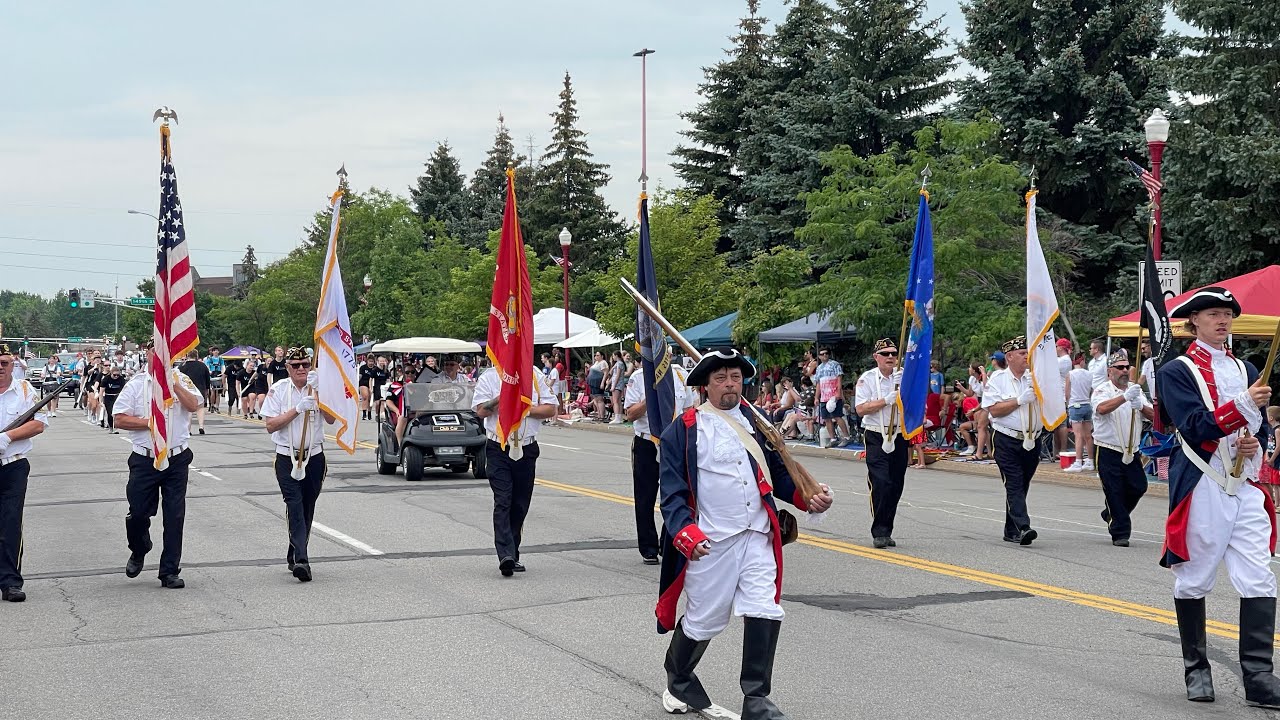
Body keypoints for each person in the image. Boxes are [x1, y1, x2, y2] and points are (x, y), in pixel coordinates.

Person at [655, 347, 833, 717]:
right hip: (712, 542)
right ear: (705, 385)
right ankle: (679, 677)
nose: (730, 384)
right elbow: (672, 492)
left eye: (735, 377)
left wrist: (808, 498)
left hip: (757, 536)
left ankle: (756, 699)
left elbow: (777, 476)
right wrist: (685, 532)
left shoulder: (758, 422)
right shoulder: (685, 429)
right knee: (704, 620)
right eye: (720, 378)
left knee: (764, 609)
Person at [1156, 286, 1280, 708]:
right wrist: (1244, 404)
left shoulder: (1246, 368)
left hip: (1244, 484)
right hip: (1204, 481)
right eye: (1212, 314)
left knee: (1259, 574)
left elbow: (1258, 426)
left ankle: (1259, 676)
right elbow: (1193, 425)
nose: (1222, 320)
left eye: (1226, 314)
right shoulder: (1176, 371)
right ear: (1194, 321)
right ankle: (1197, 669)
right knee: (1194, 578)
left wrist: (1255, 443)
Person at [112, 341, 204, 589]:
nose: (162, 357)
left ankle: (169, 571)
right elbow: (119, 418)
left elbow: (195, 405)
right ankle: (140, 547)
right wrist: (150, 423)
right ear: (148, 355)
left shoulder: (181, 380)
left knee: (174, 515)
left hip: (177, 457)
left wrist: (172, 383)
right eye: (157, 352)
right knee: (138, 513)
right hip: (145, 458)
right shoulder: (136, 384)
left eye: (167, 353)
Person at [472, 364, 558, 577]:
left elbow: (550, 408)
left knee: (519, 504)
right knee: (503, 500)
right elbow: (481, 411)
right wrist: (503, 398)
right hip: (498, 447)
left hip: (526, 447)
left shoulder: (535, 375)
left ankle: (513, 551)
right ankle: (505, 555)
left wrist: (523, 408)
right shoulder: (490, 377)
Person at [262, 347, 335, 582]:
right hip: (287, 457)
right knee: (294, 504)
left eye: (305, 364)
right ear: (288, 368)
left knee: (307, 507)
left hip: (314, 457)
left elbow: (332, 419)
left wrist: (321, 396)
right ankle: (303, 560)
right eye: (296, 366)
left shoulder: (318, 387)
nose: (301, 369)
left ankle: (295, 551)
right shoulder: (279, 390)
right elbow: (271, 425)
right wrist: (297, 409)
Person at [624, 360, 695, 565]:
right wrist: (650, 398)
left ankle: (668, 542)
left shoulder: (680, 376)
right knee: (645, 498)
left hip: (673, 444)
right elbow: (630, 414)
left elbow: (689, 409)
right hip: (646, 442)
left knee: (675, 494)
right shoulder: (639, 378)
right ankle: (648, 548)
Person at [981, 336, 1042, 546]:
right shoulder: (998, 379)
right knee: (1014, 482)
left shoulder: (1035, 378)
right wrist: (1019, 400)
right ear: (1009, 357)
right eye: (1022, 353)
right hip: (1006, 439)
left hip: (1032, 439)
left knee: (1021, 484)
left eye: (1027, 352)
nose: (1027, 356)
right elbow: (994, 410)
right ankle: (1024, 526)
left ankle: (1011, 529)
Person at [0, 344, 49, 602]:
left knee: (10, 524)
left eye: (4, 362)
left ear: (12, 364)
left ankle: (10, 581)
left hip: (12, 465)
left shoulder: (24, 390)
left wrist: (7, 437)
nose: (0, 367)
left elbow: (38, 423)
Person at [855, 339, 907, 548]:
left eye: (893, 353)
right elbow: (860, 409)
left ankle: (888, 529)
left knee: (895, 484)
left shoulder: (903, 377)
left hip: (899, 435)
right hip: (876, 435)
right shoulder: (867, 379)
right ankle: (879, 531)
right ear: (876, 357)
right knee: (881, 482)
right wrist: (886, 400)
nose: (890, 357)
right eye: (885, 354)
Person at [1064, 353, 1096, 473]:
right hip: (1087, 405)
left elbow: (1067, 392)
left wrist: (1067, 404)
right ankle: (1090, 460)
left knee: (1078, 435)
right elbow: (1092, 390)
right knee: (1088, 435)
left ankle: (1078, 461)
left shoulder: (1070, 374)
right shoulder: (1089, 374)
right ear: (1082, 362)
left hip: (1075, 405)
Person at [815, 348, 850, 448]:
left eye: (826, 353)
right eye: (822, 354)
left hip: (834, 395)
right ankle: (833, 438)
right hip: (824, 397)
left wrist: (838, 393)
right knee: (826, 418)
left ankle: (846, 437)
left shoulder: (835, 364)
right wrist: (816, 397)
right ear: (819, 356)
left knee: (837, 416)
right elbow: (818, 384)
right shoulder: (819, 368)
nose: (825, 355)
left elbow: (839, 379)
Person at [179, 351, 211, 435]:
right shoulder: (202, 365)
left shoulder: (182, 366)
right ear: (196, 356)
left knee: (188, 410)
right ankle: (201, 426)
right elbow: (208, 379)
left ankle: (188, 429)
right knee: (200, 408)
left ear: (187, 355)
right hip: (200, 389)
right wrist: (207, 389)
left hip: (187, 390)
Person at [100, 364, 127, 434]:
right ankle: (111, 427)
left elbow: (124, 390)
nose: (116, 377)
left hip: (117, 396)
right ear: (111, 373)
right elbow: (101, 391)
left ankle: (116, 427)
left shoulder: (121, 379)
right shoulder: (106, 379)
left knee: (116, 413)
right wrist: (101, 401)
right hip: (108, 397)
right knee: (110, 412)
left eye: (117, 375)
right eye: (114, 375)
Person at [204, 346, 225, 413]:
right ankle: (212, 405)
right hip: (212, 375)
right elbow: (207, 366)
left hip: (218, 374)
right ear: (212, 352)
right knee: (213, 391)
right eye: (214, 350)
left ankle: (217, 406)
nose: (216, 352)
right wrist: (209, 373)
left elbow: (222, 366)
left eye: (217, 350)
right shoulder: (210, 359)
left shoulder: (221, 359)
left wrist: (222, 373)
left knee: (218, 392)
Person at [608, 351, 627, 424]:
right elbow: (611, 373)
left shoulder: (619, 364)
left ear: (616, 356)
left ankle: (617, 417)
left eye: (613, 356)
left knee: (615, 401)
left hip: (617, 384)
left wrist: (613, 385)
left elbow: (617, 375)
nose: (613, 357)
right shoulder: (618, 363)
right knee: (618, 401)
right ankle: (619, 417)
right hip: (619, 384)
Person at [358, 355, 377, 420]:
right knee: (365, 397)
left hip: (371, 383)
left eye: (372, 361)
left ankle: (369, 413)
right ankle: (364, 413)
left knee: (370, 398)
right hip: (363, 383)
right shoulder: (363, 368)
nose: (371, 363)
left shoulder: (375, 368)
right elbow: (360, 376)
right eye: (370, 361)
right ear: (367, 361)